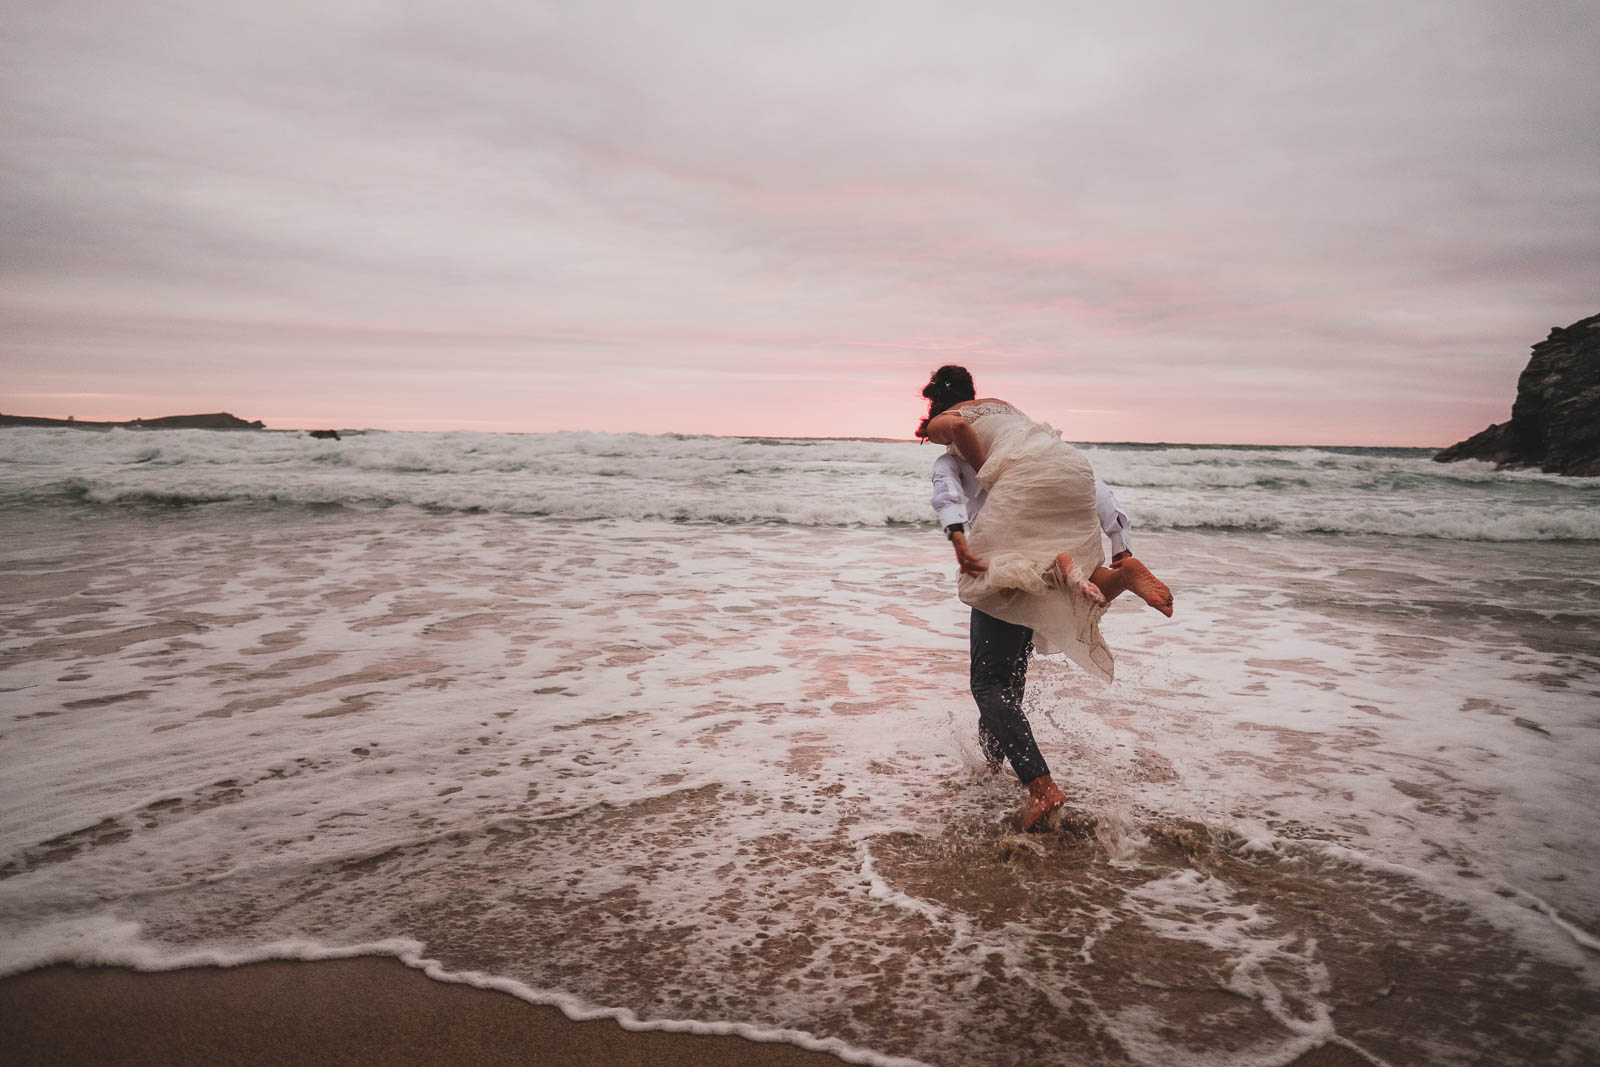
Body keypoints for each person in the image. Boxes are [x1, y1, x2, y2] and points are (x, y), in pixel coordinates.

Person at [918, 365, 1174, 831]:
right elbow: (1098, 492)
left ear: (934, 401)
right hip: (1072, 472)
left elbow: (951, 457)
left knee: (987, 683)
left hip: (1021, 497)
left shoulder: (952, 426)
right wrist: (1121, 545)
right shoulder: (1009, 416)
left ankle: (1042, 787)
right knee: (1011, 667)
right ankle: (1114, 576)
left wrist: (961, 529)